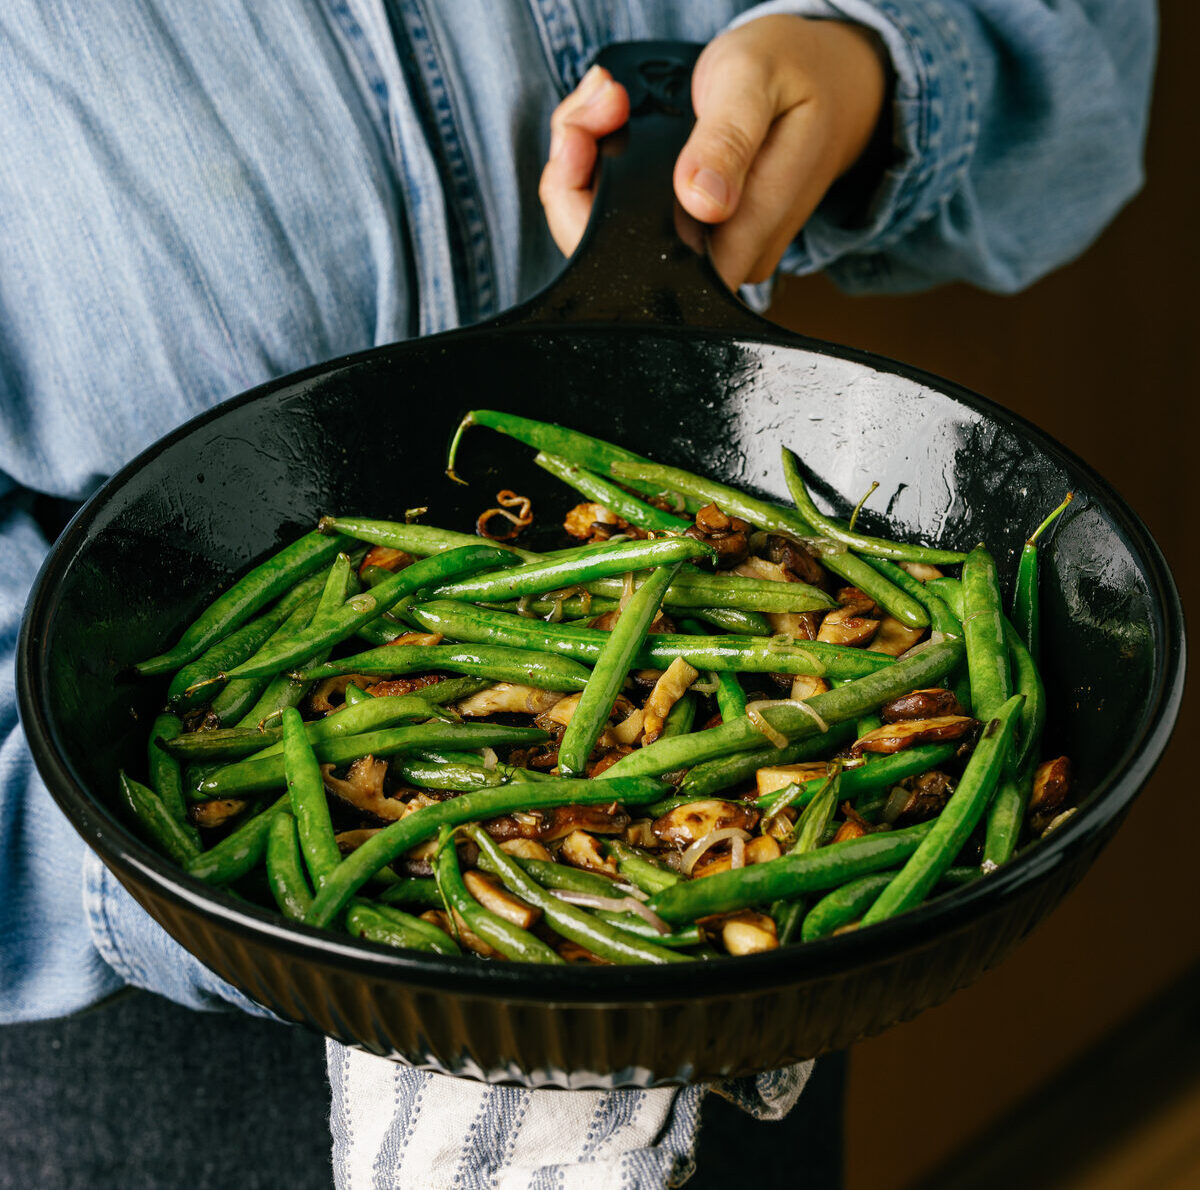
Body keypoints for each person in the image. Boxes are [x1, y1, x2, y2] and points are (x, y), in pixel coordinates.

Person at [0, 2, 1154, 1187]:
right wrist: (202, 878)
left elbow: (1084, 72)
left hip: (734, 1026)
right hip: (165, 1053)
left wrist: (869, 61)